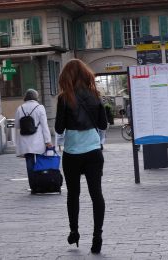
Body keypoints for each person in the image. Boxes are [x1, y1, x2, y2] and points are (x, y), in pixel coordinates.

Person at [55, 59, 107, 254]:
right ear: (85, 75)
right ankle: (97, 237)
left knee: (73, 195)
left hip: (72, 153)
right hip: (93, 151)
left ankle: (74, 231)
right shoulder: (95, 95)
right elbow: (102, 125)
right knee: (97, 195)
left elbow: (59, 128)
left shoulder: (64, 98)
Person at [14, 89, 52, 193]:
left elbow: (17, 125)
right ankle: (41, 184)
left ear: (25, 97)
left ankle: (33, 187)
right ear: (36, 97)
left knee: (29, 164)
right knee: (40, 163)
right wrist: (48, 140)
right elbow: (44, 125)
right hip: (38, 140)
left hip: (25, 141)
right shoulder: (40, 108)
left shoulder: (19, 108)